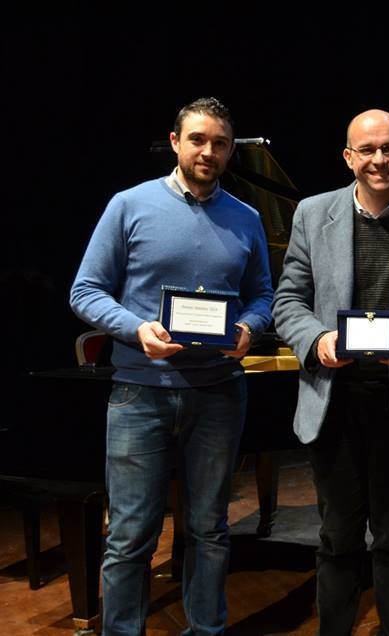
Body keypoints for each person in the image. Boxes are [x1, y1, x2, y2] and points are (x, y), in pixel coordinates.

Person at [69, 97, 273, 635]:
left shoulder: (247, 217)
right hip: (140, 392)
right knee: (130, 535)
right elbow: (85, 291)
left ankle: (206, 630)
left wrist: (250, 327)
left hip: (220, 393)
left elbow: (263, 295)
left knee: (210, 530)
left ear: (230, 151)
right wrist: (137, 329)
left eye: (220, 143)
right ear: (176, 141)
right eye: (198, 139)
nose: (209, 151)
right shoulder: (129, 205)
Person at [271, 109, 389, 635]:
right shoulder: (313, 213)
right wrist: (318, 340)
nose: (379, 159)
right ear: (348, 157)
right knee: (337, 537)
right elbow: (288, 300)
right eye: (367, 149)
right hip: (333, 400)